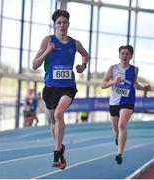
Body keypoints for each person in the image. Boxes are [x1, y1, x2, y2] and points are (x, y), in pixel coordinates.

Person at [32, 9, 89, 169]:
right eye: (59, 23)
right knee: (53, 122)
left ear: (68, 24)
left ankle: (57, 152)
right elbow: (35, 65)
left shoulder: (74, 43)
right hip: (50, 88)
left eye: (65, 22)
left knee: (59, 114)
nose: (62, 25)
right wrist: (47, 51)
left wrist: (83, 65)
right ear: (55, 25)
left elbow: (85, 54)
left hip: (68, 87)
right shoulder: (48, 40)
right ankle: (61, 146)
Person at [101, 45, 151, 164]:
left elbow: (134, 84)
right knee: (116, 130)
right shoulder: (113, 68)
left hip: (128, 101)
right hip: (114, 102)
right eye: (122, 53)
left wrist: (144, 88)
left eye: (127, 54)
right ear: (119, 55)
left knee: (122, 124)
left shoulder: (134, 69)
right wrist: (113, 81)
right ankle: (117, 136)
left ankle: (119, 153)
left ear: (131, 56)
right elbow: (103, 85)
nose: (124, 56)